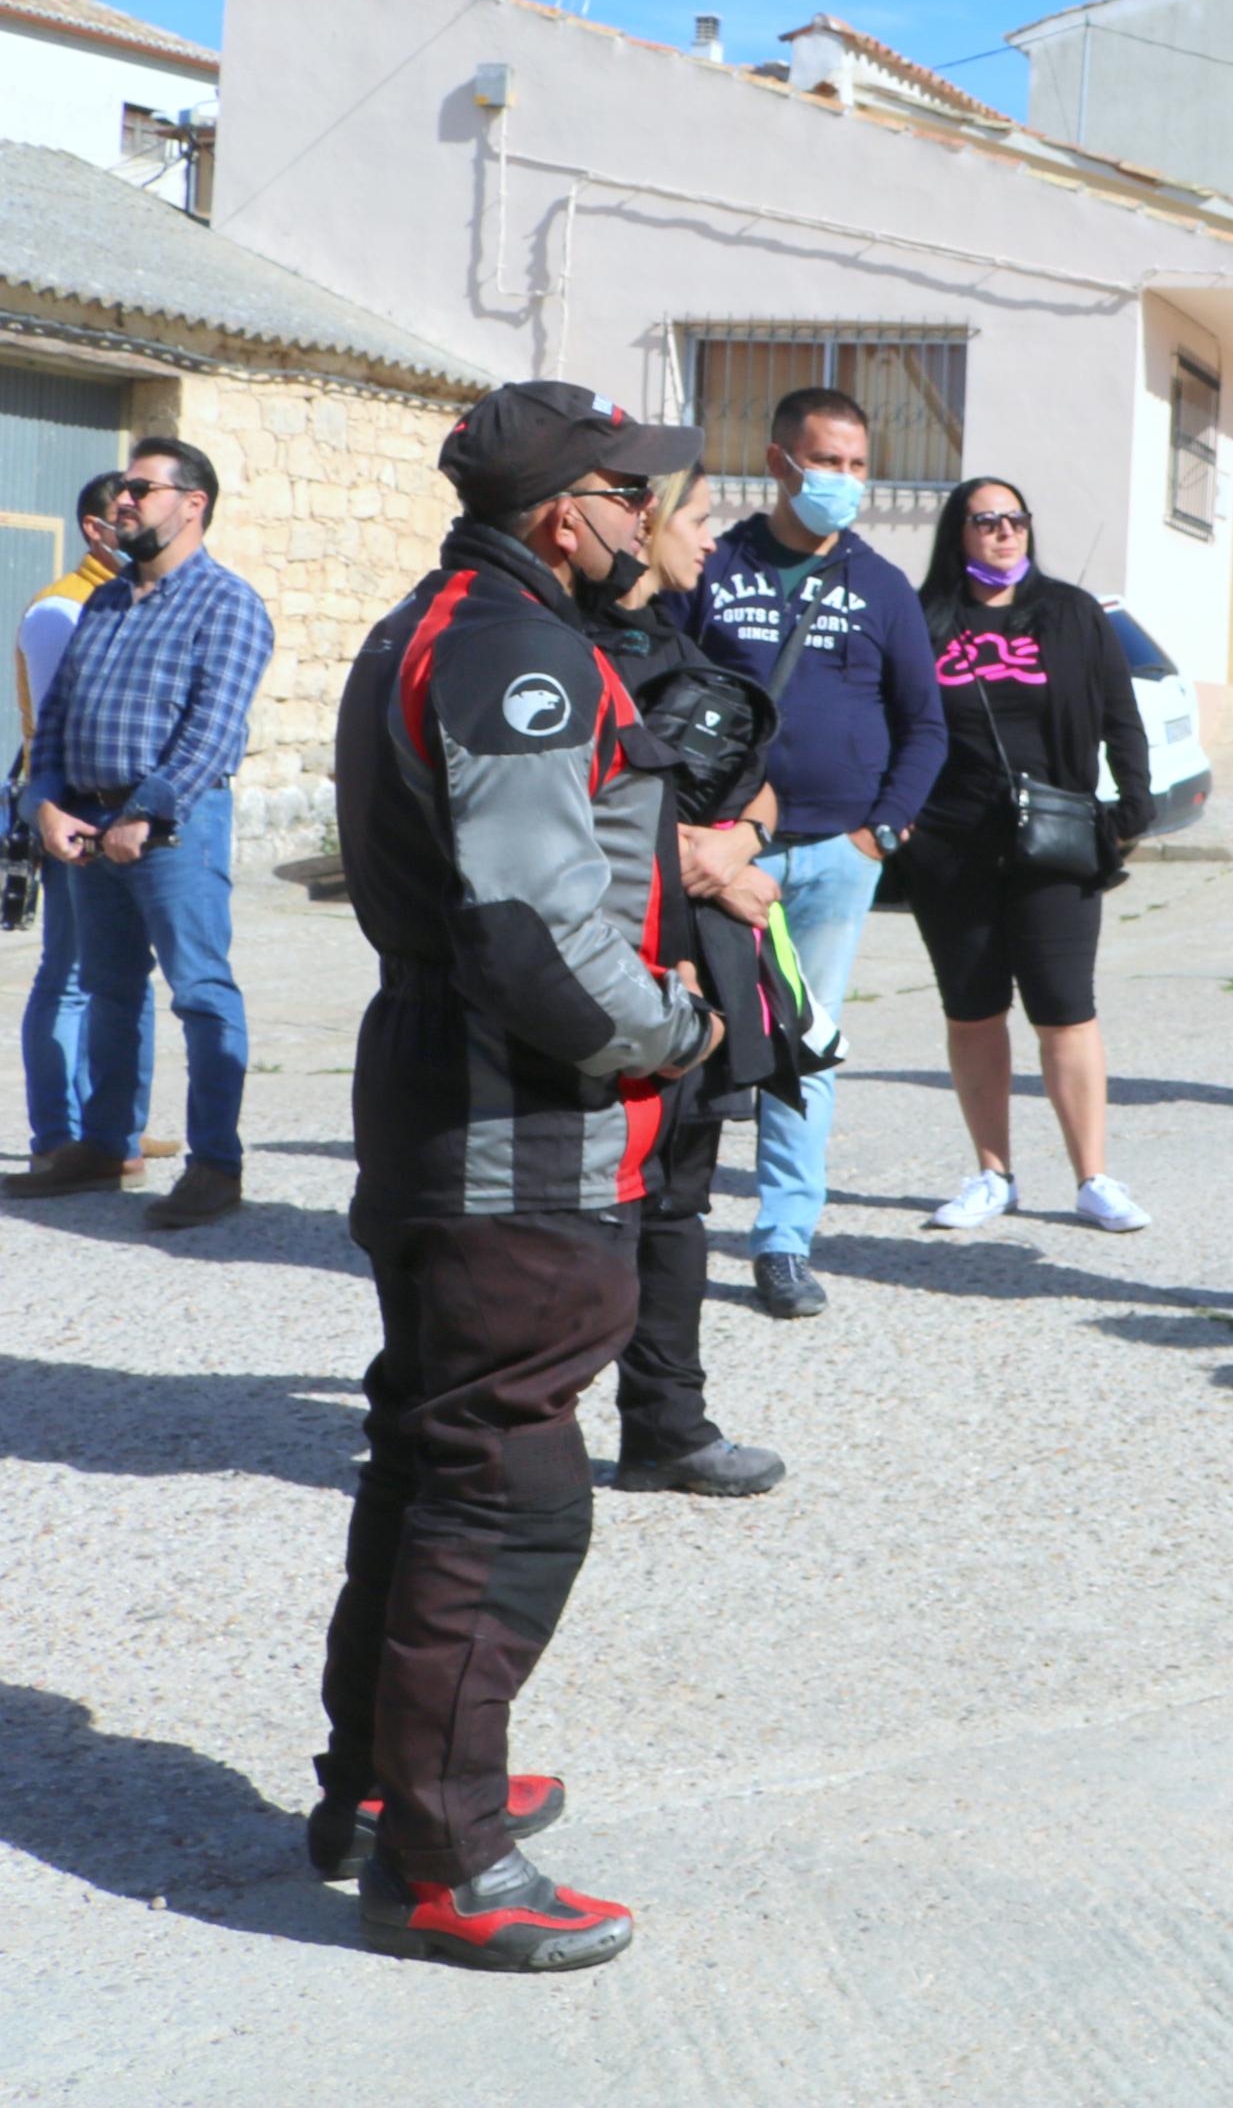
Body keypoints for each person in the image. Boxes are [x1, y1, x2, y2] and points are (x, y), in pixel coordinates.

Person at [315, 379, 731, 1970]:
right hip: (514, 1133)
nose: (652, 523)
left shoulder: (443, 618)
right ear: (567, 513)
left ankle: (389, 1783)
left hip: (446, 1102)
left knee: (432, 1458)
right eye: (636, 497)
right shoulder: (518, 653)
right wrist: (672, 1030)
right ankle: (443, 1852)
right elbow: (530, 932)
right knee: (508, 1482)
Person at [687, 387, 945, 1318]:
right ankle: (664, 1226)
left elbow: (925, 723)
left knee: (806, 1047)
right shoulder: (716, 567)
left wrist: (881, 831)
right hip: (721, 854)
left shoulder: (881, 585)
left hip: (836, 853)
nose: (840, 480)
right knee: (698, 1036)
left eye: (854, 464)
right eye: (823, 461)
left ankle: (783, 1240)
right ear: (778, 460)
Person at [586, 464, 792, 1500]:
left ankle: (666, 1427)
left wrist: (741, 840)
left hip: (695, 970)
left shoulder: (676, 638)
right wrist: (702, 859)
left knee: (677, 1204)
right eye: (700, 518)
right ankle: (491, 1425)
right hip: (606, 973)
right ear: (645, 518)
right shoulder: (561, 646)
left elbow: (760, 779)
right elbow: (572, 813)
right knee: (585, 1210)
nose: (713, 540)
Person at [10, 437, 273, 1229]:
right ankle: (104, 1145)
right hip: (88, 826)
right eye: (123, 488)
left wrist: (142, 814)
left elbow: (213, 730)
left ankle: (214, 1164)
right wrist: (46, 803)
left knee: (199, 990)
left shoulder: (227, 602)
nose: (122, 501)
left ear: (193, 504)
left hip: (172, 829)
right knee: (109, 991)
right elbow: (53, 722)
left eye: (141, 488)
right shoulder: (104, 601)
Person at [907, 474, 1158, 1238]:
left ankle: (1093, 1177)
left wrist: (1131, 810)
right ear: (959, 533)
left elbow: (1121, 715)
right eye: (985, 521)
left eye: (1015, 519)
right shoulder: (925, 620)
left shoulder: (1071, 614)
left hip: (1055, 841)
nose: (1004, 533)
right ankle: (993, 1173)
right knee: (973, 1009)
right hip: (951, 845)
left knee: (1065, 1008)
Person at [16, 471, 152, 1182]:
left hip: (118, 814)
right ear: (96, 530)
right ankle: (55, 1133)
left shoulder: (133, 599)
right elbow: (57, 725)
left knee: (121, 974)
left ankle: (114, 1128)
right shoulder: (59, 610)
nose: (137, 522)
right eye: (123, 512)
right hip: (70, 810)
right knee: (67, 973)